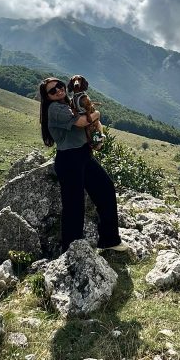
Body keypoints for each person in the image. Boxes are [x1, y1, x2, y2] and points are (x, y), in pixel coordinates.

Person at [38, 77, 128, 254]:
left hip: (83, 154)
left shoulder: (69, 104)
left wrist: (97, 138)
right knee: (74, 205)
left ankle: (109, 240)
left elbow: (87, 125)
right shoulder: (55, 109)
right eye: (52, 91)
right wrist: (97, 114)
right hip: (69, 160)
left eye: (59, 86)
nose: (58, 90)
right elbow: (82, 122)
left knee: (106, 189)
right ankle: (71, 251)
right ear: (47, 97)